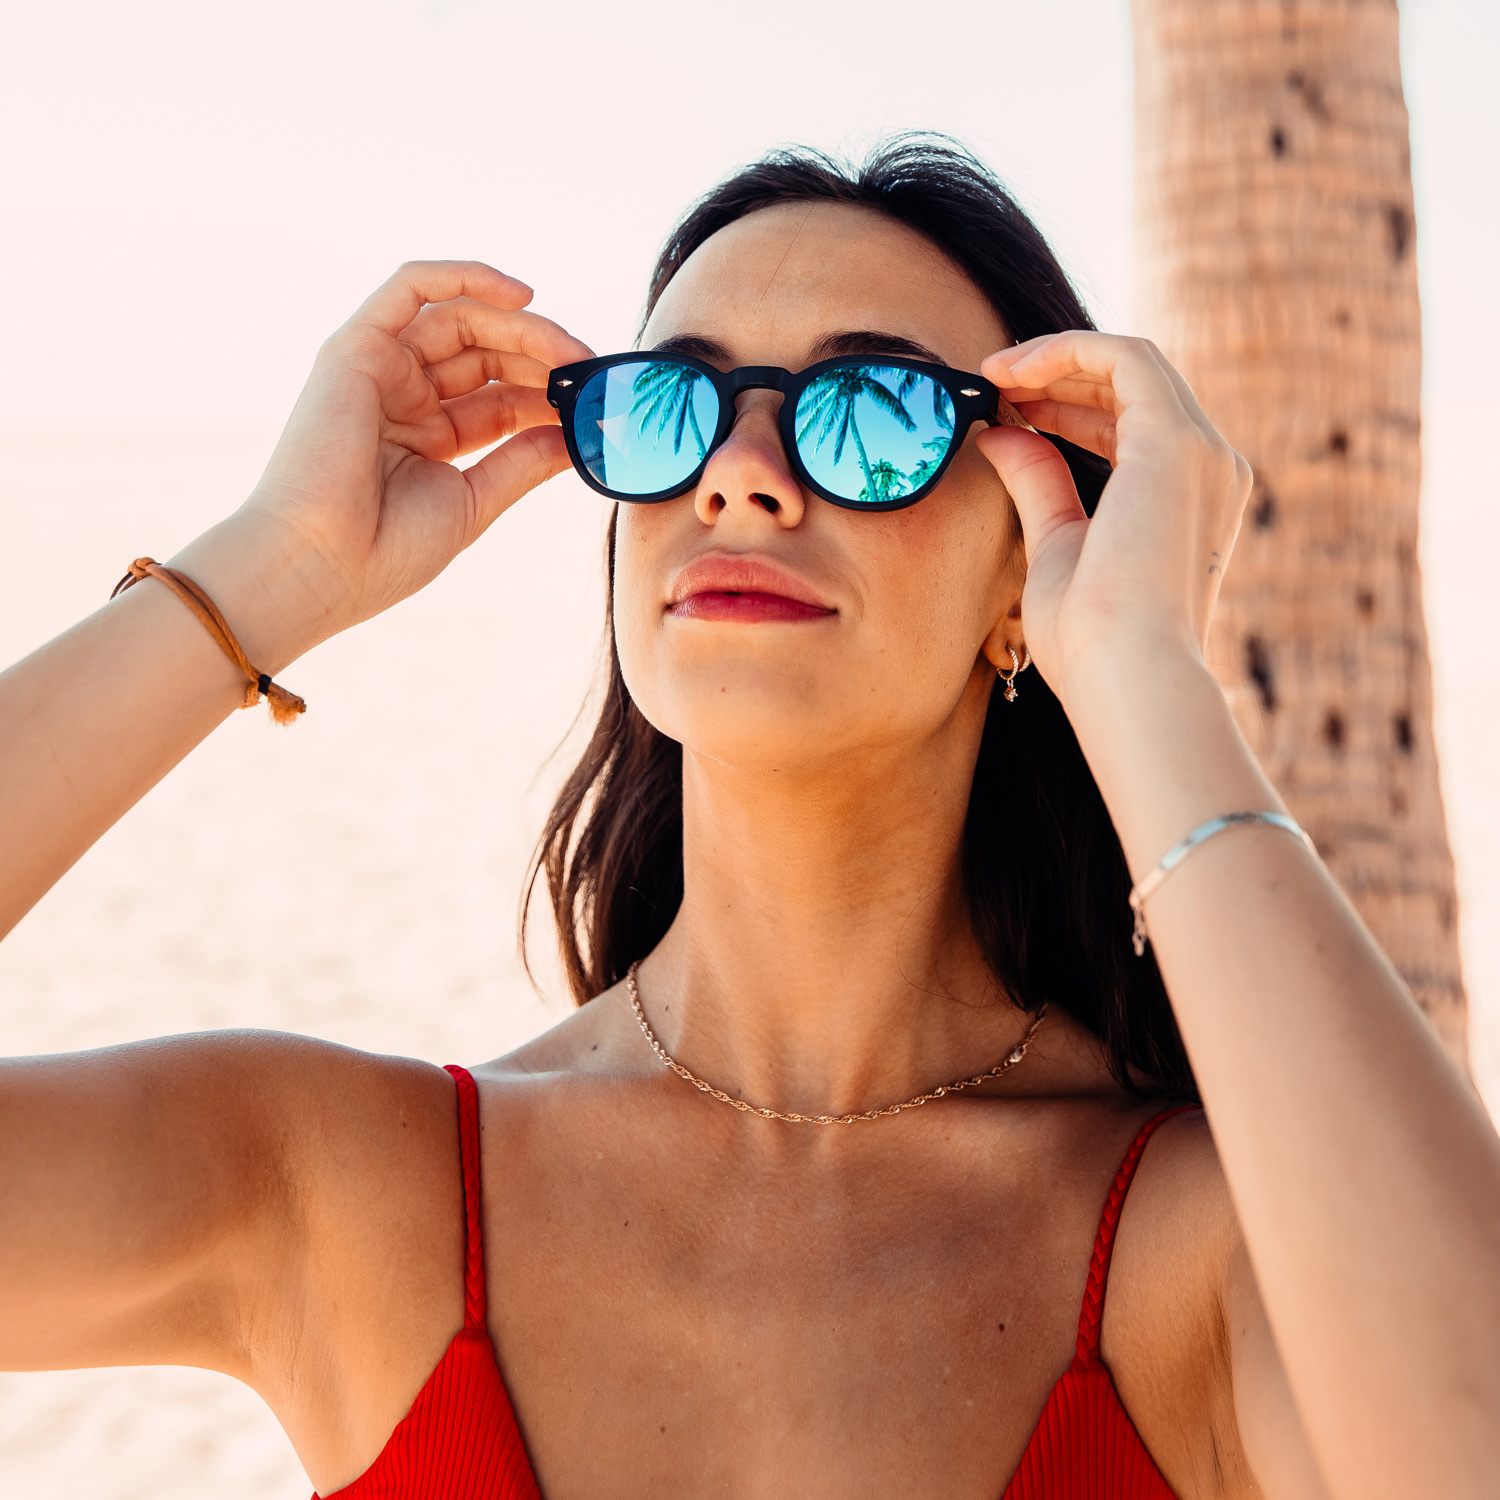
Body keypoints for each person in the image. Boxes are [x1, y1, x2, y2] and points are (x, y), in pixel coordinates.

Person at [1, 138, 1496, 1500]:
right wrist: (275, 567)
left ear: (1024, 577)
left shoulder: (1206, 1252)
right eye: (673, 405)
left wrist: (1146, 671)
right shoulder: (338, 1188)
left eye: (875, 414)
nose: (745, 477)